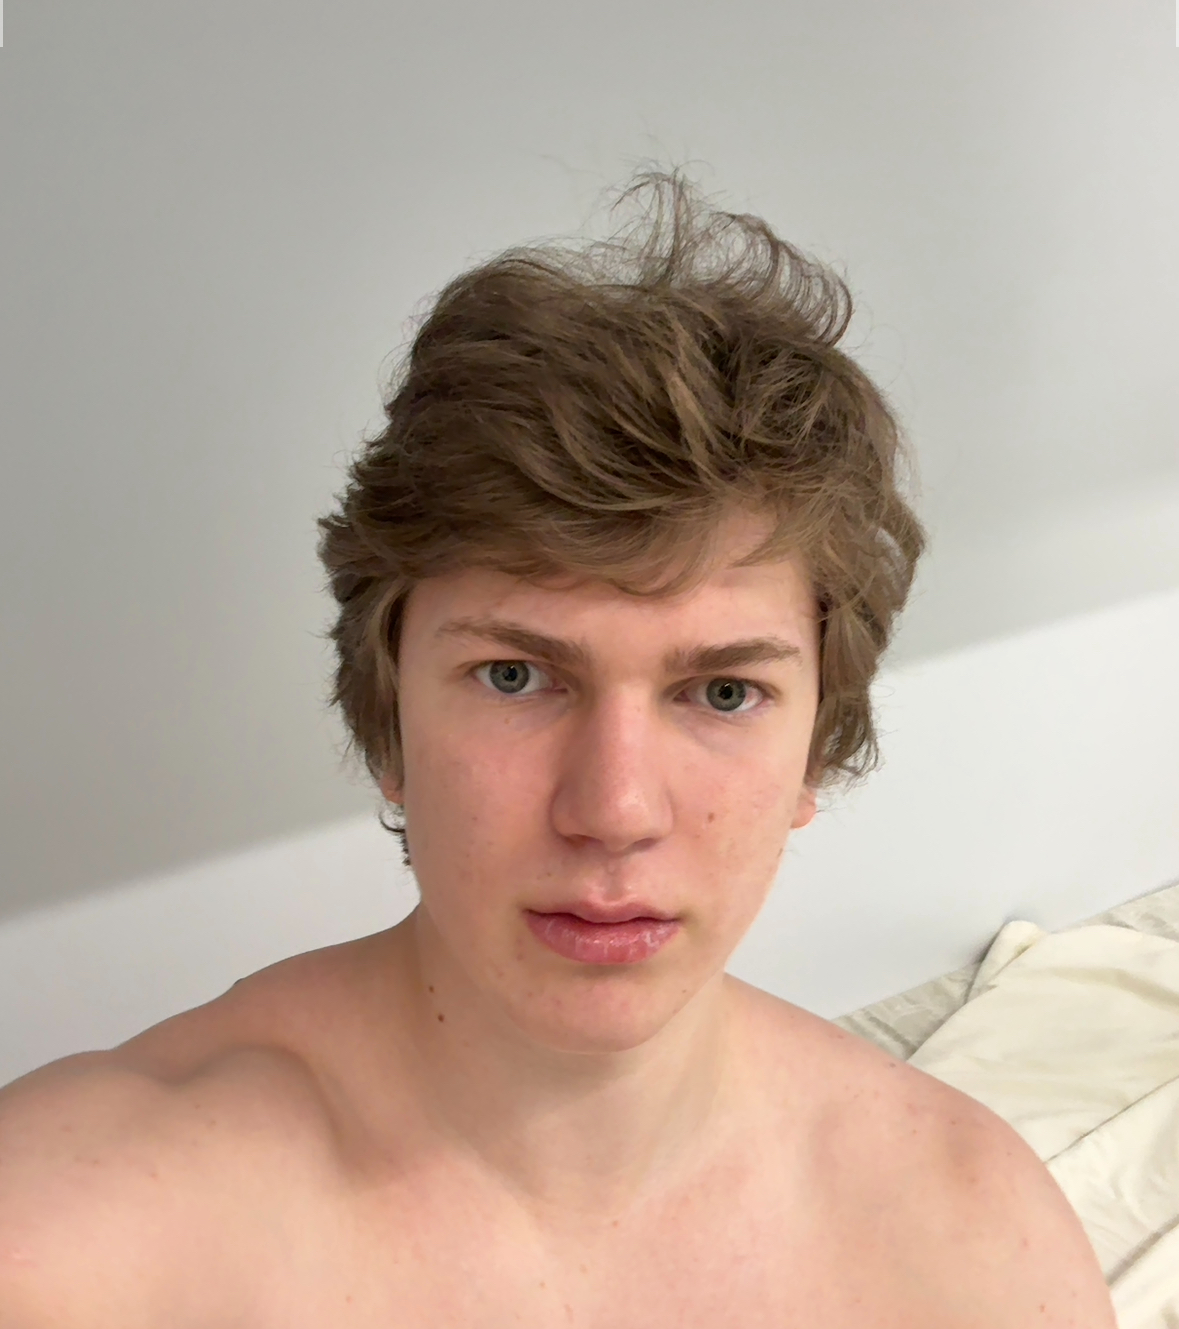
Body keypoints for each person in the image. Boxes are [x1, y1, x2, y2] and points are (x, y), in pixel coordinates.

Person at [0, 172, 1116, 1327]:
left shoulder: (969, 1242)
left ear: (814, 751)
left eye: (722, 692)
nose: (614, 809)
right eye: (517, 677)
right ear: (388, 720)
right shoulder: (68, 1248)